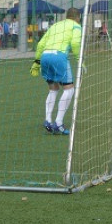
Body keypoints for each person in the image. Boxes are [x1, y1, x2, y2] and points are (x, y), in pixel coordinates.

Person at [34, 7, 83, 135]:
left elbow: (40, 44)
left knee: (53, 88)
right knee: (69, 89)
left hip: (45, 56)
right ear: (78, 17)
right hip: (59, 56)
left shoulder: (55, 25)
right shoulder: (76, 27)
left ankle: (48, 119)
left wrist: (37, 61)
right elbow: (76, 44)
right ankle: (59, 123)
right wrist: (80, 60)